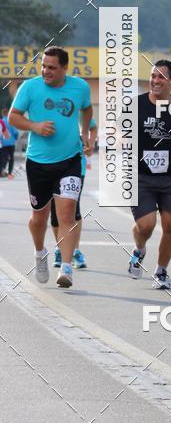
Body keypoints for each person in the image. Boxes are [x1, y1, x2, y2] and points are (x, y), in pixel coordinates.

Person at [8, 47, 93, 288]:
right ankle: (39, 252)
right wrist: (34, 126)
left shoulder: (80, 87)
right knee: (38, 219)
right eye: (44, 66)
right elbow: (14, 116)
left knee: (66, 213)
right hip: (38, 163)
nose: (46, 71)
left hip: (70, 161)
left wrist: (85, 132)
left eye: (52, 67)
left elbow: (87, 108)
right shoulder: (30, 87)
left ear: (65, 68)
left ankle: (66, 268)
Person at [128, 60, 171, 290]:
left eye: (161, 77)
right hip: (141, 177)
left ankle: (161, 270)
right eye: (153, 76)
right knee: (146, 226)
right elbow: (120, 133)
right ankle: (139, 249)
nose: (155, 81)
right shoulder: (136, 106)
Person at [51, 117, 97, 269]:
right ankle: (60, 248)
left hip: (76, 167)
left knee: (73, 209)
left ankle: (75, 250)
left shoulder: (80, 108)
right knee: (55, 211)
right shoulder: (49, 106)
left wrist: (90, 144)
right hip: (50, 164)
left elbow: (93, 127)